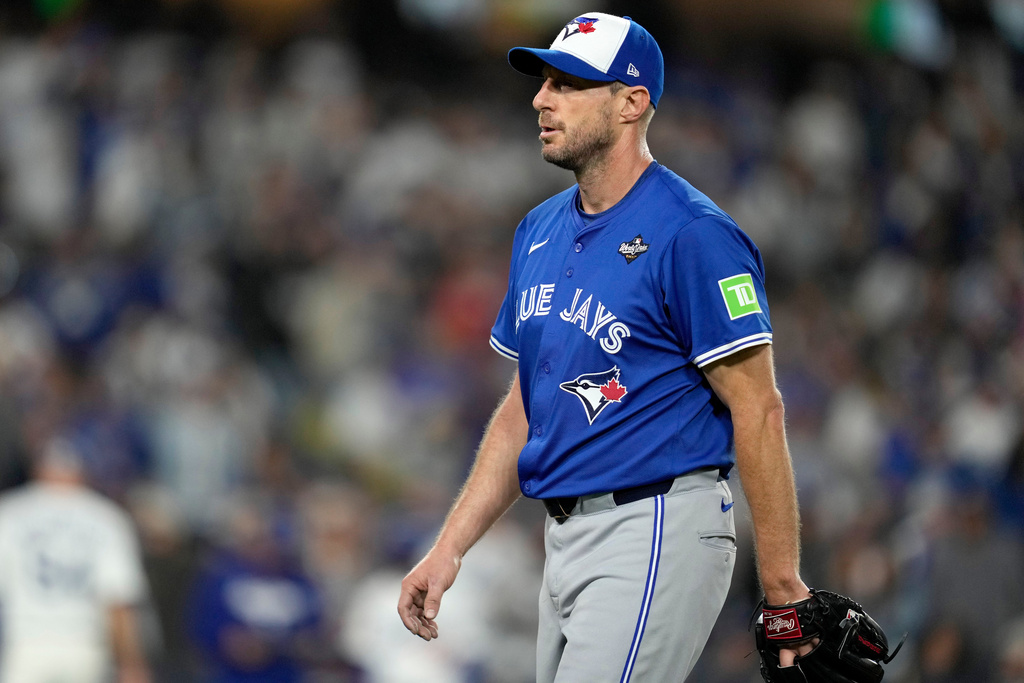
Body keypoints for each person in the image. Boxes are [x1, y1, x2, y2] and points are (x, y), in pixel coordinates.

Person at [398, 12, 812, 681]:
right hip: (562, 539)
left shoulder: (693, 233)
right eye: (545, 82)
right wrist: (449, 548)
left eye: (568, 84)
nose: (541, 98)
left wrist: (784, 585)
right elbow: (523, 412)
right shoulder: (537, 230)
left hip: (654, 523)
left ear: (631, 102)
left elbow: (758, 408)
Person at [0, 437, 152, 683]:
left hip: (24, 645)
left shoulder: (10, 512)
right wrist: (131, 663)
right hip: (85, 647)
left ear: (39, 469)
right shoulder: (107, 517)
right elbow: (118, 601)